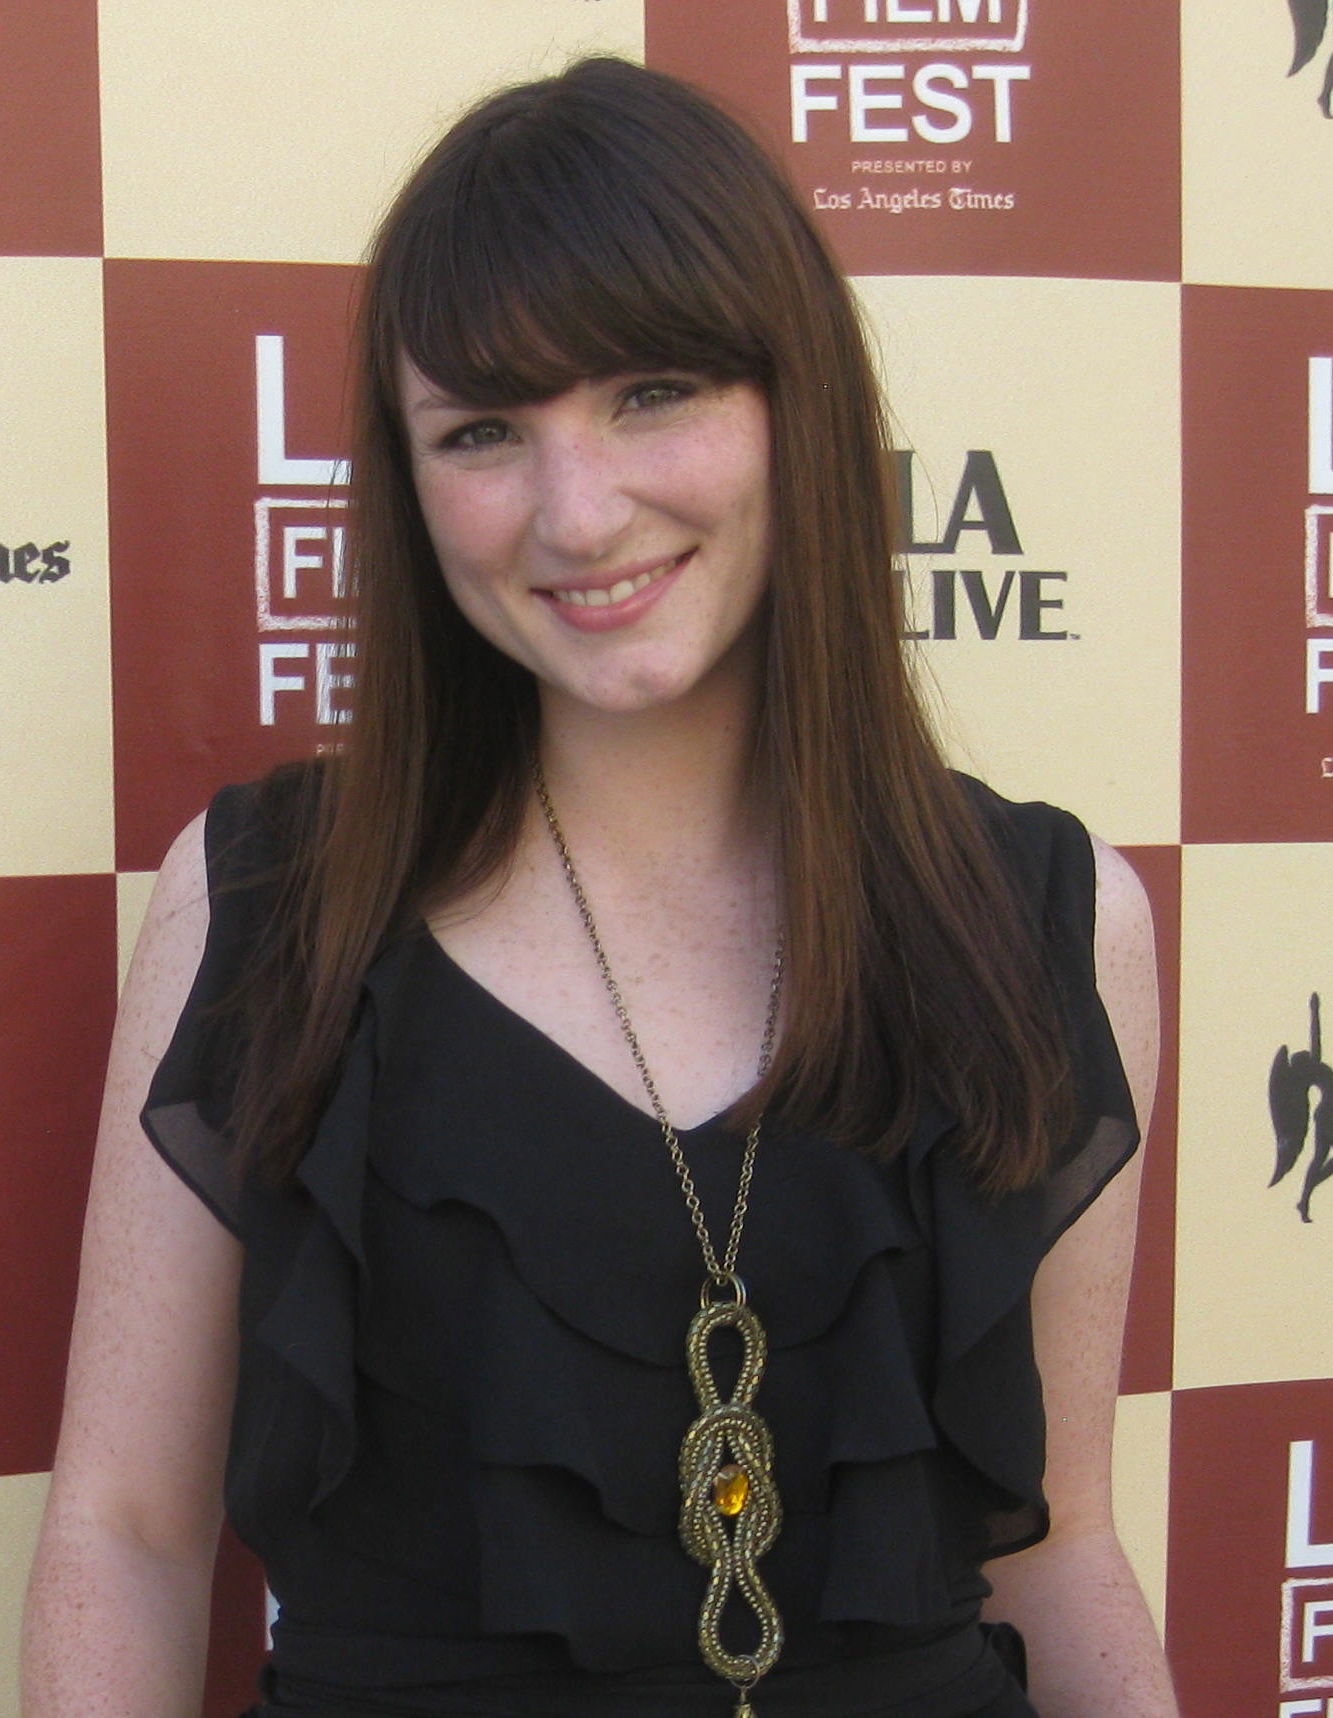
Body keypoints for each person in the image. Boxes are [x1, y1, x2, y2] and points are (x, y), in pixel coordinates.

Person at [22, 56, 1177, 1718]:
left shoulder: (1052, 916)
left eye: (651, 392)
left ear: (797, 403)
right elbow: (127, 1536)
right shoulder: (268, 902)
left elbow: (1058, 1548)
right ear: (408, 487)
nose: (576, 510)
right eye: (484, 429)